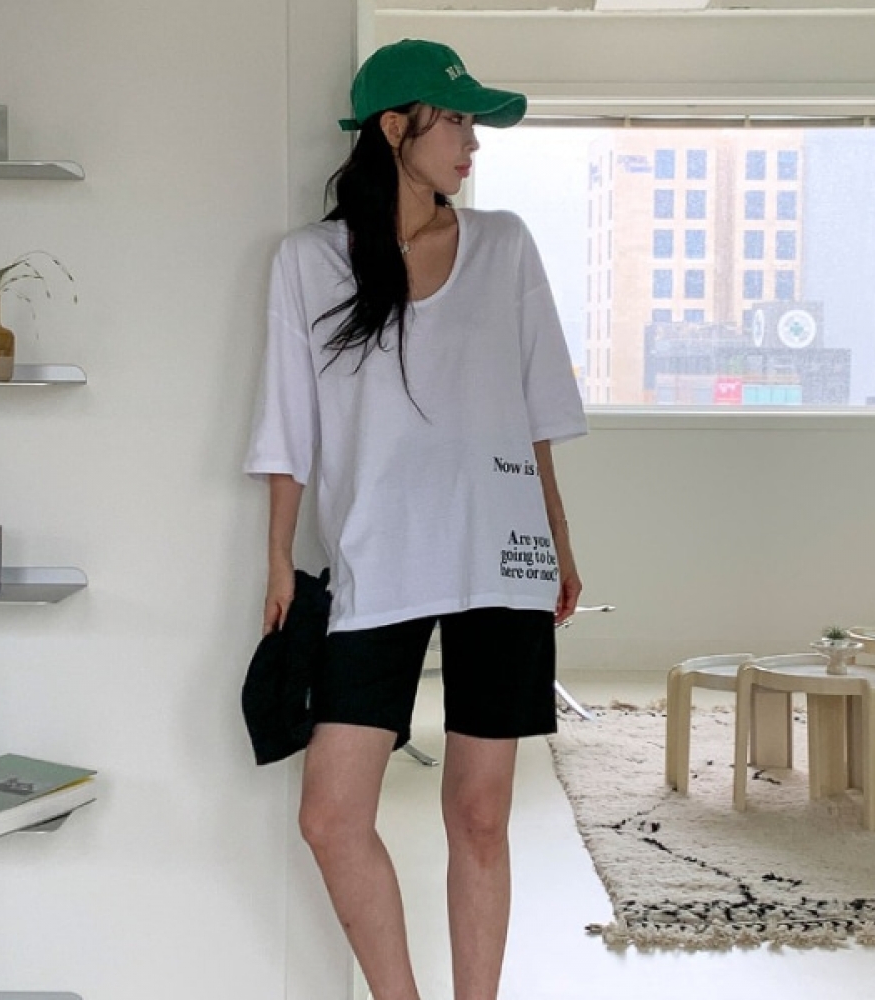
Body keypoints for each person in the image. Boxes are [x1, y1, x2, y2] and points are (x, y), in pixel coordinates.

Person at [245, 38, 587, 1000]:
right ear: (394, 127)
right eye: (458, 121)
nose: (472, 142)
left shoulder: (505, 245)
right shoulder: (309, 262)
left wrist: (560, 543)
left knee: (480, 816)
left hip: (501, 554)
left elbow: (538, 413)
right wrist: (279, 560)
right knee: (331, 816)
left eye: (474, 123)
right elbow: (288, 426)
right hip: (378, 557)